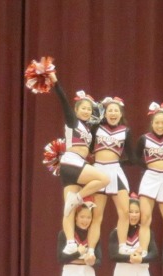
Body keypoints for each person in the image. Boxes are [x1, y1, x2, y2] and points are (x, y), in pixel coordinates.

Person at [48, 71, 108, 253]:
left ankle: (70, 243)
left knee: (69, 208)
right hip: (72, 162)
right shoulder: (72, 121)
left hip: (73, 167)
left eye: (89, 109)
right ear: (76, 110)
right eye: (83, 108)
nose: (87, 111)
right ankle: (79, 197)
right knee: (104, 179)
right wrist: (55, 83)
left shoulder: (88, 128)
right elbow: (64, 101)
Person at [136, 102, 163, 260]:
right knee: (145, 218)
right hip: (150, 178)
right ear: (152, 123)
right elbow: (136, 158)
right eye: (157, 123)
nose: (160, 126)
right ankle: (142, 251)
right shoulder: (144, 139)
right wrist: (149, 168)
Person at [91, 96, 135, 255]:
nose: (113, 113)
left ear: (121, 114)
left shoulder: (126, 131)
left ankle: (122, 246)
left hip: (115, 171)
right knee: (96, 215)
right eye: (110, 110)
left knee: (125, 212)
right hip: (98, 171)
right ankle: (91, 249)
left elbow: (132, 157)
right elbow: (88, 148)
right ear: (105, 113)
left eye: (116, 111)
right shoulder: (97, 128)